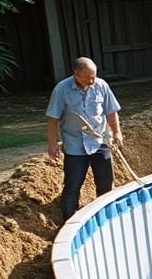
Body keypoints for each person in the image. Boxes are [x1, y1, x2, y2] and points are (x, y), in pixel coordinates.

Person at [46, 57, 123, 222]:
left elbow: (111, 111)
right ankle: (68, 221)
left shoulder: (101, 85)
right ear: (75, 74)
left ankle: (107, 219)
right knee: (72, 186)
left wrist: (117, 132)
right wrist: (52, 143)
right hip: (74, 143)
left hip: (99, 141)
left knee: (106, 184)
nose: (92, 80)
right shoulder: (62, 89)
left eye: (94, 76)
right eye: (87, 78)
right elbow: (53, 119)